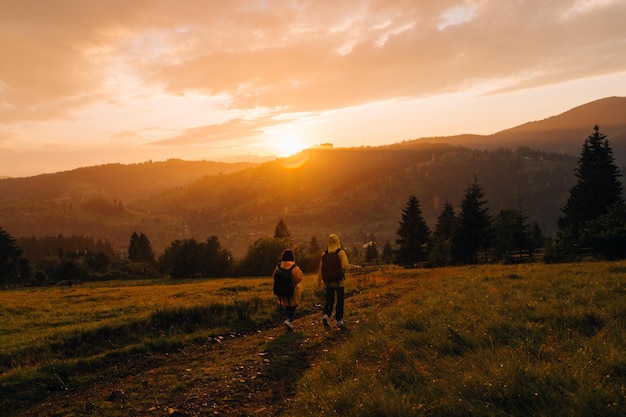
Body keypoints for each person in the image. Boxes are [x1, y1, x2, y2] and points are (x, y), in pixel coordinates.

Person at [318, 234, 349, 328]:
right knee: (340, 301)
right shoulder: (341, 253)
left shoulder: (324, 254)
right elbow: (345, 265)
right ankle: (339, 320)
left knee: (329, 300)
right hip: (339, 283)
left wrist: (319, 280)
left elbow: (320, 268)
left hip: (328, 282)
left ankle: (326, 315)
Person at [273, 249, 304, 331]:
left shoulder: (279, 266)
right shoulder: (294, 267)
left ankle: (288, 319)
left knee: (287, 305)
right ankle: (288, 319)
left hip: (281, 290)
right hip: (292, 290)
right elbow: (299, 278)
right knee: (294, 305)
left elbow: (274, 276)